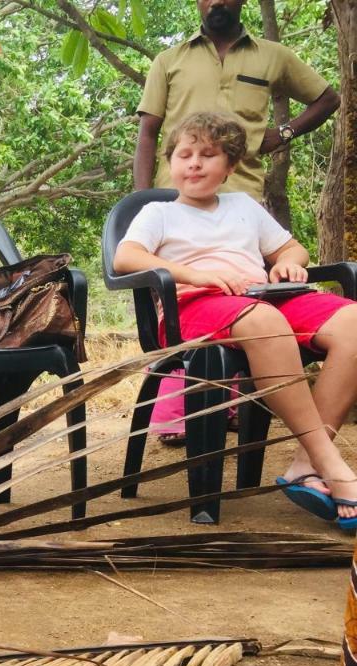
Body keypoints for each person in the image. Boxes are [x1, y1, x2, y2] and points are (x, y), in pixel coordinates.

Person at [114, 111, 357, 529]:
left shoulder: (243, 206)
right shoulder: (159, 213)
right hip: (195, 307)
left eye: (208, 155)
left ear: (228, 167)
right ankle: (331, 464)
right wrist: (195, 274)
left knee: (353, 321)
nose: (194, 163)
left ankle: (305, 463)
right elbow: (125, 258)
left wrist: (288, 266)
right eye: (185, 154)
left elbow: (292, 249)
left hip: (264, 299)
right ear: (170, 162)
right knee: (264, 322)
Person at [133, 0, 340, 444]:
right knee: (221, 307)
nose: (216, 1)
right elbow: (148, 131)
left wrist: (283, 134)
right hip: (175, 201)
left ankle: (242, 412)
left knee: (251, 292)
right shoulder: (169, 60)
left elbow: (328, 97)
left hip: (243, 195)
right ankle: (188, 408)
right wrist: (141, 196)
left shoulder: (272, 55)